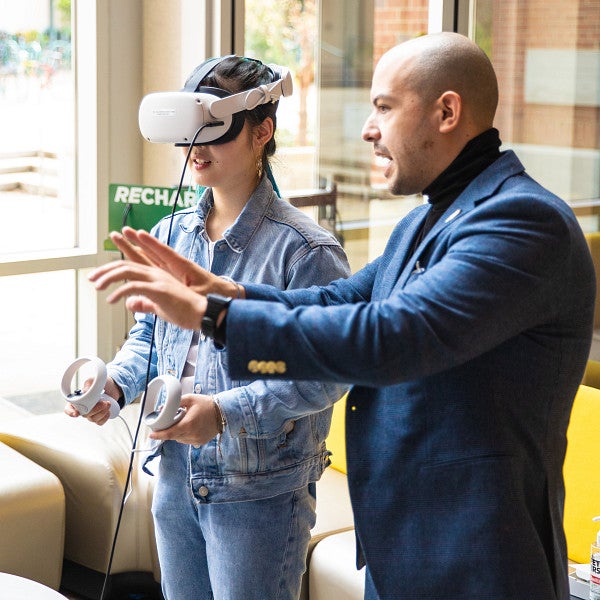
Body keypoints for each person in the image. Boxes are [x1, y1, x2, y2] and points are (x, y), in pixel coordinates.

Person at [89, 33, 596, 600]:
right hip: (404, 544)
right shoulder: (426, 222)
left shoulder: (522, 222)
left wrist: (217, 316)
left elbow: (393, 336)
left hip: (477, 555)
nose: (367, 130)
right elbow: (338, 303)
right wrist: (225, 295)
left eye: (383, 107)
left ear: (446, 112)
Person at [68, 55, 350, 600]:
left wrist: (223, 414)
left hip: (259, 493)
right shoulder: (172, 232)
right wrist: (115, 385)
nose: (195, 149)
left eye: (214, 133)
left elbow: (323, 377)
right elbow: (150, 336)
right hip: (173, 472)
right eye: (189, 133)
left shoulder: (305, 252)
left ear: (261, 132)